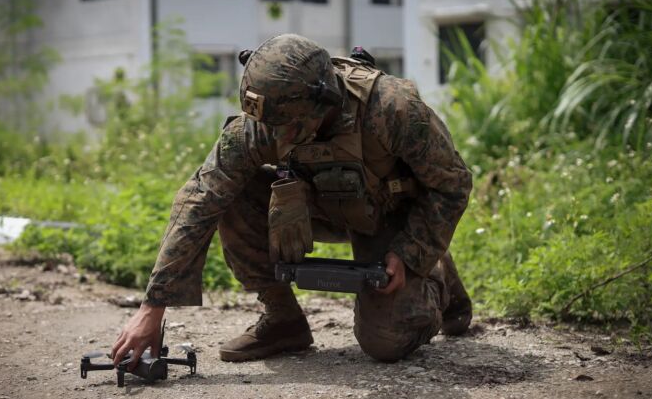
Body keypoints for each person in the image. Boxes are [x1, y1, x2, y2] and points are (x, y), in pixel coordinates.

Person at [111, 34, 472, 368]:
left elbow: (452, 184)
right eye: (268, 124)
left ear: (322, 101)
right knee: (231, 192)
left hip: (389, 216)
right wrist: (153, 306)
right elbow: (201, 197)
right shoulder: (266, 120)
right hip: (316, 209)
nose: (273, 134)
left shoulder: (392, 108)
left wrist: (411, 252)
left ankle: (436, 274)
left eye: (286, 127)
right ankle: (282, 319)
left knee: (386, 342)